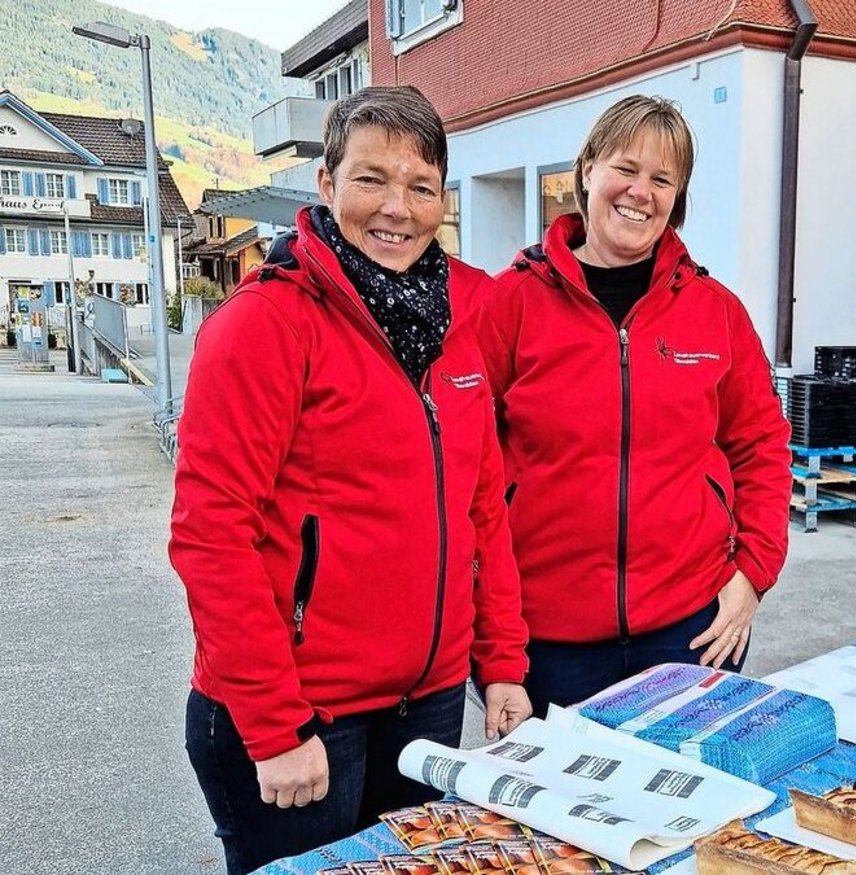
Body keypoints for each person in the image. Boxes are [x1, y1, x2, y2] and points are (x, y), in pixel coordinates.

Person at [169, 86, 531, 875]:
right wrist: (275, 725)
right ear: (327, 184)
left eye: (421, 186)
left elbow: (482, 514)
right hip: (304, 716)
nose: (397, 208)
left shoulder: (460, 326)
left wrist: (502, 661)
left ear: (443, 200)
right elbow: (211, 535)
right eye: (372, 179)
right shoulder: (266, 324)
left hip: (425, 704)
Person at [471, 95, 791, 716]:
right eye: (625, 168)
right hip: (547, 639)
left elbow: (761, 446)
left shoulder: (716, 312)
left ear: (677, 198)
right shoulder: (510, 304)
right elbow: (465, 463)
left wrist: (751, 574)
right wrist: (492, 631)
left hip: (691, 630)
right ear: (588, 169)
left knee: (683, 782)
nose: (640, 192)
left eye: (662, 179)